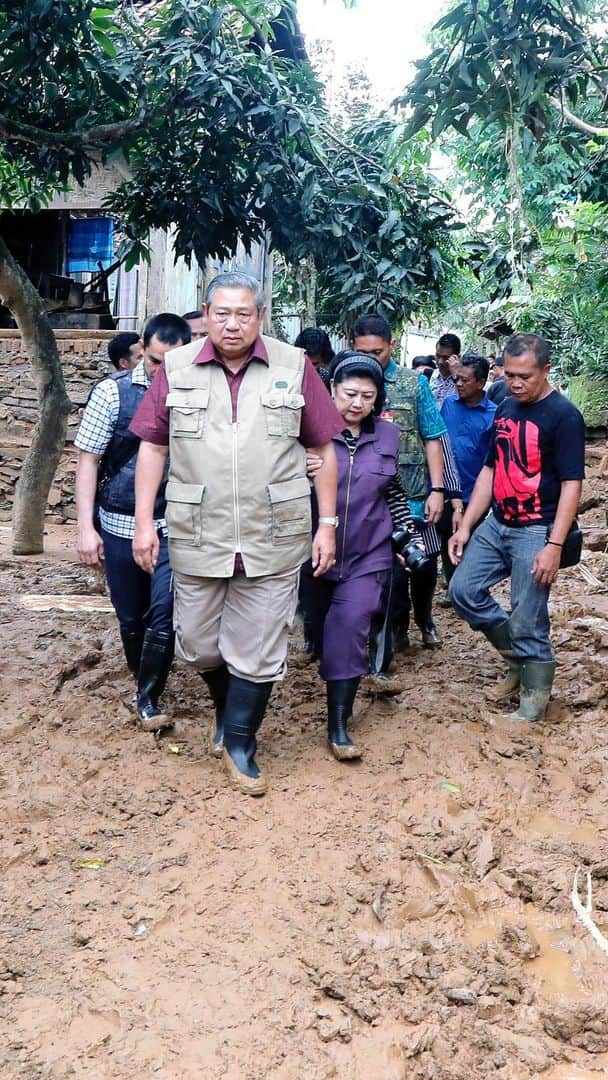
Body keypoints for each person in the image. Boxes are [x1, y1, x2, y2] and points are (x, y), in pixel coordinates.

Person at [131, 272, 342, 796]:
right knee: (198, 645)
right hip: (197, 529)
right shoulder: (177, 368)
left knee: (259, 647)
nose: (232, 323)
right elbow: (153, 448)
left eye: (243, 313)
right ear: (205, 314)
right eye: (221, 313)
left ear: (260, 316)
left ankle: (241, 740)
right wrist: (141, 522)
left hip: (275, 531)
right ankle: (227, 706)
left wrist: (329, 524)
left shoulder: (293, 366)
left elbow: (325, 447)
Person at [447, 333, 585, 722]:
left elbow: (573, 483)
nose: (516, 382)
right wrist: (466, 526)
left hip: (536, 527)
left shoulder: (564, 416)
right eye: (509, 374)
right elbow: (491, 469)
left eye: (525, 375)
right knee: (463, 590)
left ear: (546, 370)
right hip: (498, 522)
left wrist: (554, 544)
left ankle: (532, 704)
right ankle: (517, 660)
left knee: (528, 615)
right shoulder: (505, 408)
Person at [303, 352, 424, 760]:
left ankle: (339, 724)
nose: (357, 403)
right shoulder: (306, 433)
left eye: (367, 397)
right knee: (321, 629)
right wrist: (293, 467)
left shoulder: (388, 437)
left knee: (351, 628)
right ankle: (327, 667)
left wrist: (409, 537)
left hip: (368, 552)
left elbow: (392, 492)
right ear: (331, 391)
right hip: (314, 551)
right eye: (349, 394)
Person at [74, 313, 192, 731]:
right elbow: (87, 459)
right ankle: (142, 674)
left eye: (173, 363)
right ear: (142, 350)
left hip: (175, 525)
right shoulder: (112, 394)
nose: (164, 372)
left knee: (165, 612)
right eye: (157, 362)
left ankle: (148, 697)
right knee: (131, 616)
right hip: (120, 523)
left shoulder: (199, 392)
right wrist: (86, 528)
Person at [351, 315, 461, 674]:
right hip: (369, 497)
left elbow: (433, 437)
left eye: (377, 352)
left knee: (425, 563)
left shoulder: (414, 384)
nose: (371, 359)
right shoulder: (346, 383)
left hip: (414, 492)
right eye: (363, 352)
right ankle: (392, 632)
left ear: (391, 347)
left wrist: (438, 490)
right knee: (387, 572)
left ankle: (424, 616)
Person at [440, 354, 498, 582]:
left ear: (481, 383)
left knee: (468, 536)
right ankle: (453, 582)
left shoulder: (494, 414)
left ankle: (466, 585)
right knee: (447, 533)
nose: (459, 384)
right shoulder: (448, 405)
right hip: (446, 488)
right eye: (457, 379)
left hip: (474, 491)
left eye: (465, 380)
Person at [430, 333, 461, 407]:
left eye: (445, 357)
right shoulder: (430, 376)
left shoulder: (465, 380)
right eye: (438, 356)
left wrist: (456, 377)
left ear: (458, 357)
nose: (440, 362)